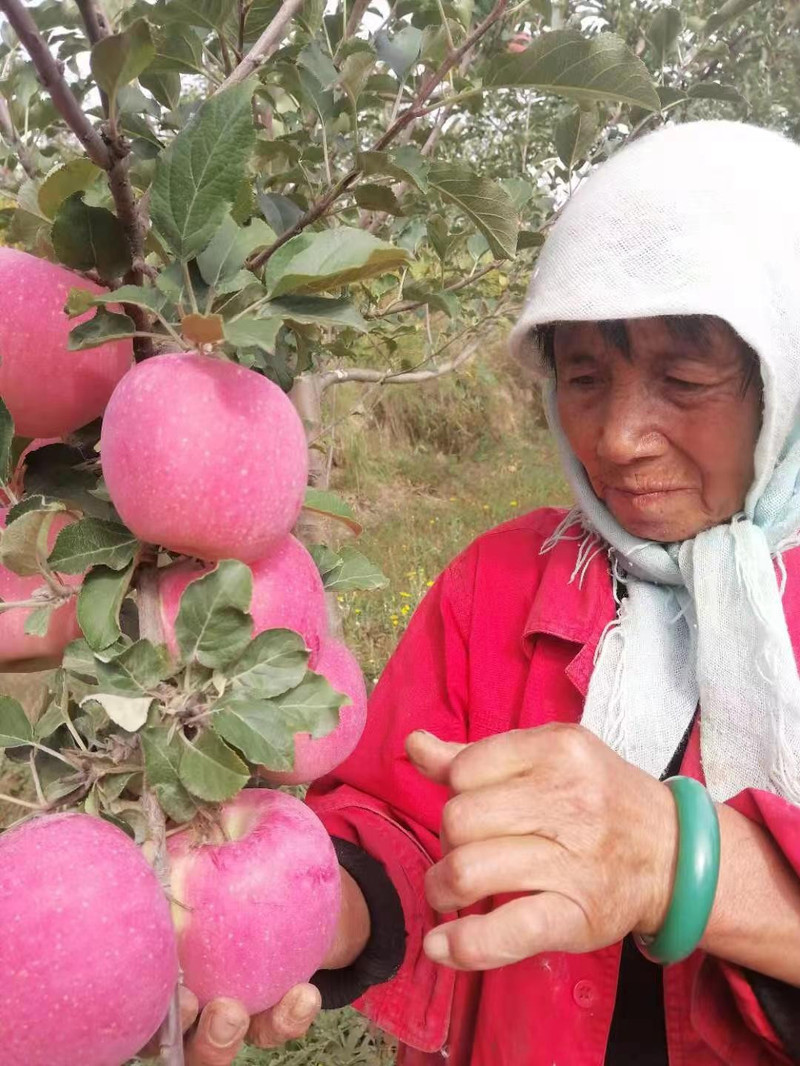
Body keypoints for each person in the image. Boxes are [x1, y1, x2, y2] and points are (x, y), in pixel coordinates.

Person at [155, 120, 800, 1066]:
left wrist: (678, 865)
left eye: (686, 377)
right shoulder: (499, 584)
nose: (619, 436)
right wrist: (317, 909)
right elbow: (406, 827)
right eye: (584, 377)